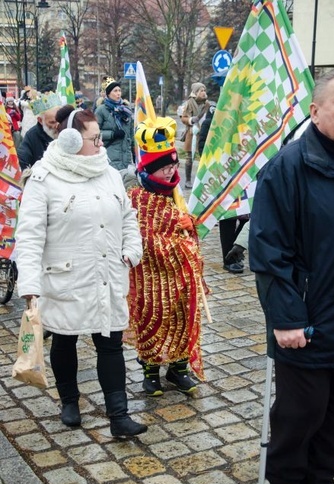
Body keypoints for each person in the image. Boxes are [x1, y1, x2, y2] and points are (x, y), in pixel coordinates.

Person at [15, 105, 147, 438]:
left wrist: (132, 252)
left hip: (107, 274)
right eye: (93, 139)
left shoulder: (110, 173)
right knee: (65, 338)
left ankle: (119, 417)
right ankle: (69, 401)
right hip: (65, 278)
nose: (101, 144)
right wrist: (29, 285)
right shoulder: (45, 178)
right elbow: (29, 234)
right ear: (72, 141)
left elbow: (128, 217)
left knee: (111, 342)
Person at [249, 68, 334, 484]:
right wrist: (286, 319)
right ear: (316, 110)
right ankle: (286, 476)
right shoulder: (288, 167)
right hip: (306, 317)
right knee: (302, 408)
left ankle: (321, 481)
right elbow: (269, 252)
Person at [127, 116, 205, 396]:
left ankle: (178, 369)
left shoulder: (176, 194)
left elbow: (183, 228)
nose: (172, 172)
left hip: (180, 277)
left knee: (182, 319)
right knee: (153, 318)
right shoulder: (137, 198)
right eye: (166, 167)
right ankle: (150, 372)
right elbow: (145, 239)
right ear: (150, 169)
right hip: (152, 277)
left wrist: (189, 226)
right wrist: (178, 241)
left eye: (174, 165)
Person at [198, 101, 248, 274]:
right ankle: (229, 258)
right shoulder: (214, 115)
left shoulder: (247, 115)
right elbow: (203, 145)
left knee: (247, 215)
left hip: (245, 173)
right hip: (223, 173)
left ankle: (236, 249)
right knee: (227, 216)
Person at [95, 76, 134, 170]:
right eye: (115, 91)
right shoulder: (101, 110)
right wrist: (112, 134)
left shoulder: (126, 110)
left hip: (126, 158)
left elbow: (131, 134)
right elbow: (94, 134)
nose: (118, 93)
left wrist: (135, 152)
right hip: (109, 157)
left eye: (119, 90)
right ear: (108, 94)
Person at [17, 92, 62, 171]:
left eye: (59, 121)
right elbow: (22, 160)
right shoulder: (32, 136)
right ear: (40, 121)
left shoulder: (68, 129)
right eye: (52, 122)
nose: (57, 125)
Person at [181, 82, 209, 189]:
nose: (203, 93)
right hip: (192, 134)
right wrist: (191, 120)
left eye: (204, 90)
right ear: (196, 92)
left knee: (204, 157)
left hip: (204, 133)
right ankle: (188, 180)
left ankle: (202, 181)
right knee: (189, 158)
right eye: (201, 91)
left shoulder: (207, 104)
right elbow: (183, 118)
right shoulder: (189, 103)